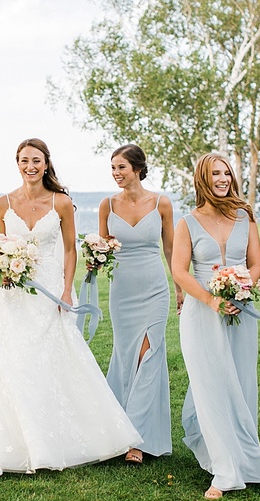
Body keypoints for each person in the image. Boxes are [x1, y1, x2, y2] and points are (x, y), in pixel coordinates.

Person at [0, 138, 142, 476]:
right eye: (24, 160)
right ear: (17, 163)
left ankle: (71, 438)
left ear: (46, 163)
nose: (30, 166)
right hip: (13, 295)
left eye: (36, 160)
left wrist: (68, 290)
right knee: (12, 366)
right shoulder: (2, 204)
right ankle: (5, 450)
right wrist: (1, 274)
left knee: (55, 362)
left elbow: (70, 250)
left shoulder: (62, 203)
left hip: (51, 292)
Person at [171, 153, 260, 500]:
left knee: (239, 381)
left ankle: (241, 455)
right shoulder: (187, 222)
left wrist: (242, 287)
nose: (222, 179)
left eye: (226, 173)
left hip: (240, 311)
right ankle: (224, 470)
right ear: (202, 180)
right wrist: (211, 300)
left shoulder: (245, 215)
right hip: (202, 314)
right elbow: (179, 271)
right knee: (209, 384)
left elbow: (255, 263)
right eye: (215, 174)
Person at [97, 144, 179, 464]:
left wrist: (180, 288)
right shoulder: (107, 205)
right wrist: (96, 257)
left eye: (121, 168)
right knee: (125, 357)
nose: (117, 173)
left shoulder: (162, 203)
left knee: (149, 355)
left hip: (155, 289)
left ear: (137, 169)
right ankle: (117, 431)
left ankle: (136, 439)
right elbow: (102, 249)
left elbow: (171, 250)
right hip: (122, 291)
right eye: (113, 168)